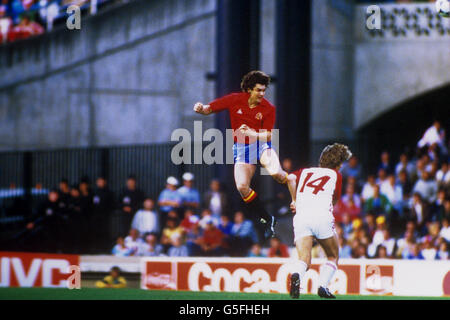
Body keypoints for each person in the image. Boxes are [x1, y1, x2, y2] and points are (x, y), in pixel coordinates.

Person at [194, 70, 291, 238]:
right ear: (249, 89)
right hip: (242, 149)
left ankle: (297, 187)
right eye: (258, 90)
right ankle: (267, 219)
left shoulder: (268, 108)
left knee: (277, 173)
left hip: (262, 145)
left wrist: (253, 134)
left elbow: (268, 134)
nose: (262, 93)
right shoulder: (235, 100)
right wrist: (201, 109)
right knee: (241, 187)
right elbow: (210, 109)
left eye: (263, 90)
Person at [286, 143, 352, 299]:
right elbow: (334, 200)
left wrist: (294, 200)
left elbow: (289, 178)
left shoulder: (305, 171)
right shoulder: (336, 175)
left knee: (304, 259)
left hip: (301, 217)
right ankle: (322, 286)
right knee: (333, 255)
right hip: (322, 217)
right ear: (338, 163)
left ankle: (296, 274)